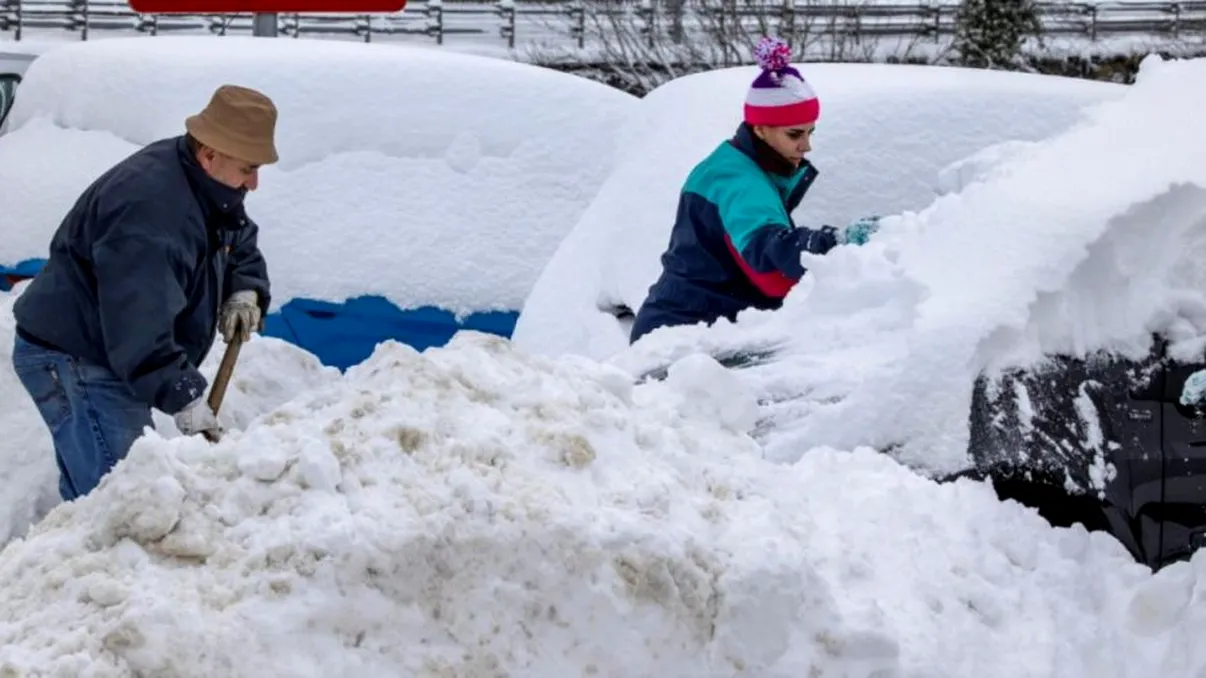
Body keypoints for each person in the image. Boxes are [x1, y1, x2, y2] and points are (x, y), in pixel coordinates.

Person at [9, 84, 277, 502]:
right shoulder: (151, 212)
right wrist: (183, 395)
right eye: (248, 169)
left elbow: (237, 237)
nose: (254, 183)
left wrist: (245, 289)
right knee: (124, 501)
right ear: (209, 154)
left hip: (108, 352)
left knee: (104, 497)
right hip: (76, 357)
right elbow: (138, 324)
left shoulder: (204, 183)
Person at [630, 37, 874, 344]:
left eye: (810, 132)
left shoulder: (736, 164)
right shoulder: (739, 181)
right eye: (795, 134)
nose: (806, 145)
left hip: (690, 325)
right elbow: (766, 247)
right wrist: (836, 243)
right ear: (760, 129)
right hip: (683, 339)